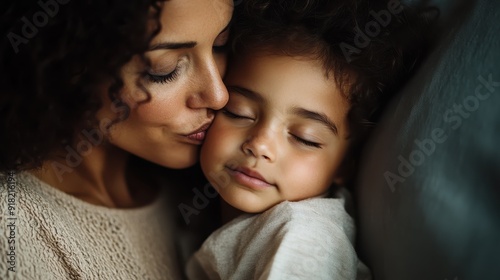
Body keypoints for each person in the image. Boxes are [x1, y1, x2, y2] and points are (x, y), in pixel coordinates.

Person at [186, 0, 433, 279]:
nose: (260, 145)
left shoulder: (302, 241)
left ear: (345, 165)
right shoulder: (200, 209)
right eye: (238, 113)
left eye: (306, 138)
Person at [0, 0, 233, 278]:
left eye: (220, 45)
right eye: (164, 70)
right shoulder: (12, 231)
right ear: (67, 65)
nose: (219, 95)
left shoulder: (200, 193)